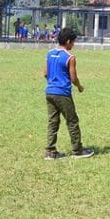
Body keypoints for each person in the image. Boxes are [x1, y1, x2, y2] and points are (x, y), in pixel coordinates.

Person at [43, 28, 94, 160]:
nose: (73, 45)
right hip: (63, 93)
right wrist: (79, 86)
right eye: (73, 42)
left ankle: (50, 151)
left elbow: (45, 73)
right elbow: (73, 78)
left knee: (53, 121)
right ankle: (77, 150)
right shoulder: (70, 57)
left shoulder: (49, 53)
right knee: (72, 121)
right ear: (68, 41)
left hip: (49, 92)